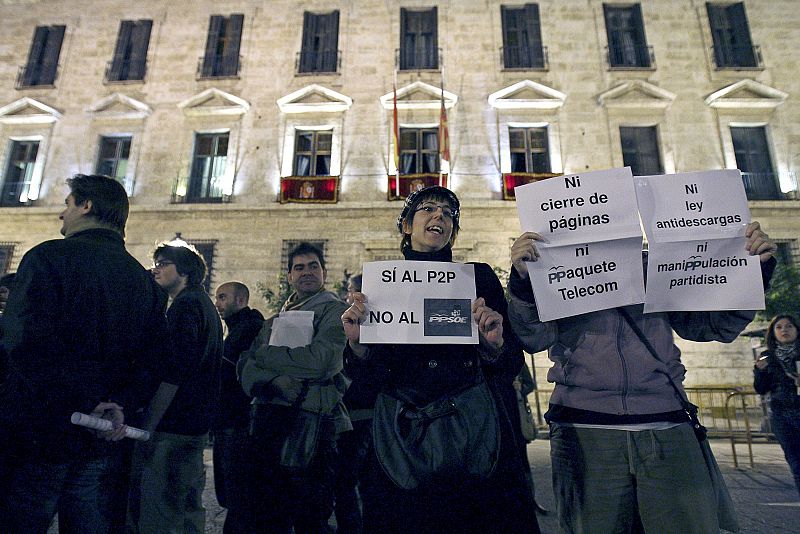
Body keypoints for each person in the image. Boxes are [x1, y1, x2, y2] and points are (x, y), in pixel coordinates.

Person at [507, 222, 777, 534]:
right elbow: (533, 338)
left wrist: (753, 274)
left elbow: (710, 326)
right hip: (584, 431)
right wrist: (524, 283)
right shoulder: (553, 267)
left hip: (667, 425)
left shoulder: (657, 267)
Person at [341, 186, 541, 534]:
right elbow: (367, 384)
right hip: (403, 441)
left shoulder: (479, 279)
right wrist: (358, 346)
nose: (439, 217)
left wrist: (493, 346)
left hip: (474, 435)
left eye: (448, 214)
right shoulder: (377, 289)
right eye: (428, 209)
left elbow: (508, 364)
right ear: (406, 226)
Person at [0, 174, 169, 533]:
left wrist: (79, 402)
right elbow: (151, 362)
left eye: (68, 203)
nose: (62, 214)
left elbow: (22, 343)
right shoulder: (146, 285)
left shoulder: (47, 258)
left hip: (39, 429)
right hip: (102, 436)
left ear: (87, 205)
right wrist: (115, 405)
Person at [239, 242, 349, 534]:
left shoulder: (335, 312)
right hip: (267, 421)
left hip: (311, 422)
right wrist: (274, 381)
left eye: (313, 266)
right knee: (268, 513)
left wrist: (266, 356)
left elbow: (321, 361)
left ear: (324, 272)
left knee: (309, 515)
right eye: (299, 267)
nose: (307, 272)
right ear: (289, 276)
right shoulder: (276, 317)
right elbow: (245, 368)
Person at [127, 242, 223, 534]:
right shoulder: (203, 305)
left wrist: (150, 423)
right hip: (194, 424)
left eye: (163, 263)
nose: (155, 269)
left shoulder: (185, 306)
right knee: (188, 508)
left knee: (161, 511)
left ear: (185, 272)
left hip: (174, 425)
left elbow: (175, 371)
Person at [212, 281, 264, 532]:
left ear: (241, 300)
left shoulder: (248, 329)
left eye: (223, 297)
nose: (217, 303)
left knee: (238, 498)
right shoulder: (236, 329)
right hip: (229, 422)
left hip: (237, 422)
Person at [334, 273, 376, 534]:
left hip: (359, 416)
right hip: (356, 415)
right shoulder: (346, 321)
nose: (351, 295)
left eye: (354, 290)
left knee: (349, 483)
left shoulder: (368, 323)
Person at [754, 314, 800, 497]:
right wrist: (759, 372)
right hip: (782, 416)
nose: (784, 330)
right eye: (779, 327)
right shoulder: (767, 358)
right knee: (796, 463)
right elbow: (761, 389)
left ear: (797, 329)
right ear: (773, 333)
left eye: (789, 326)